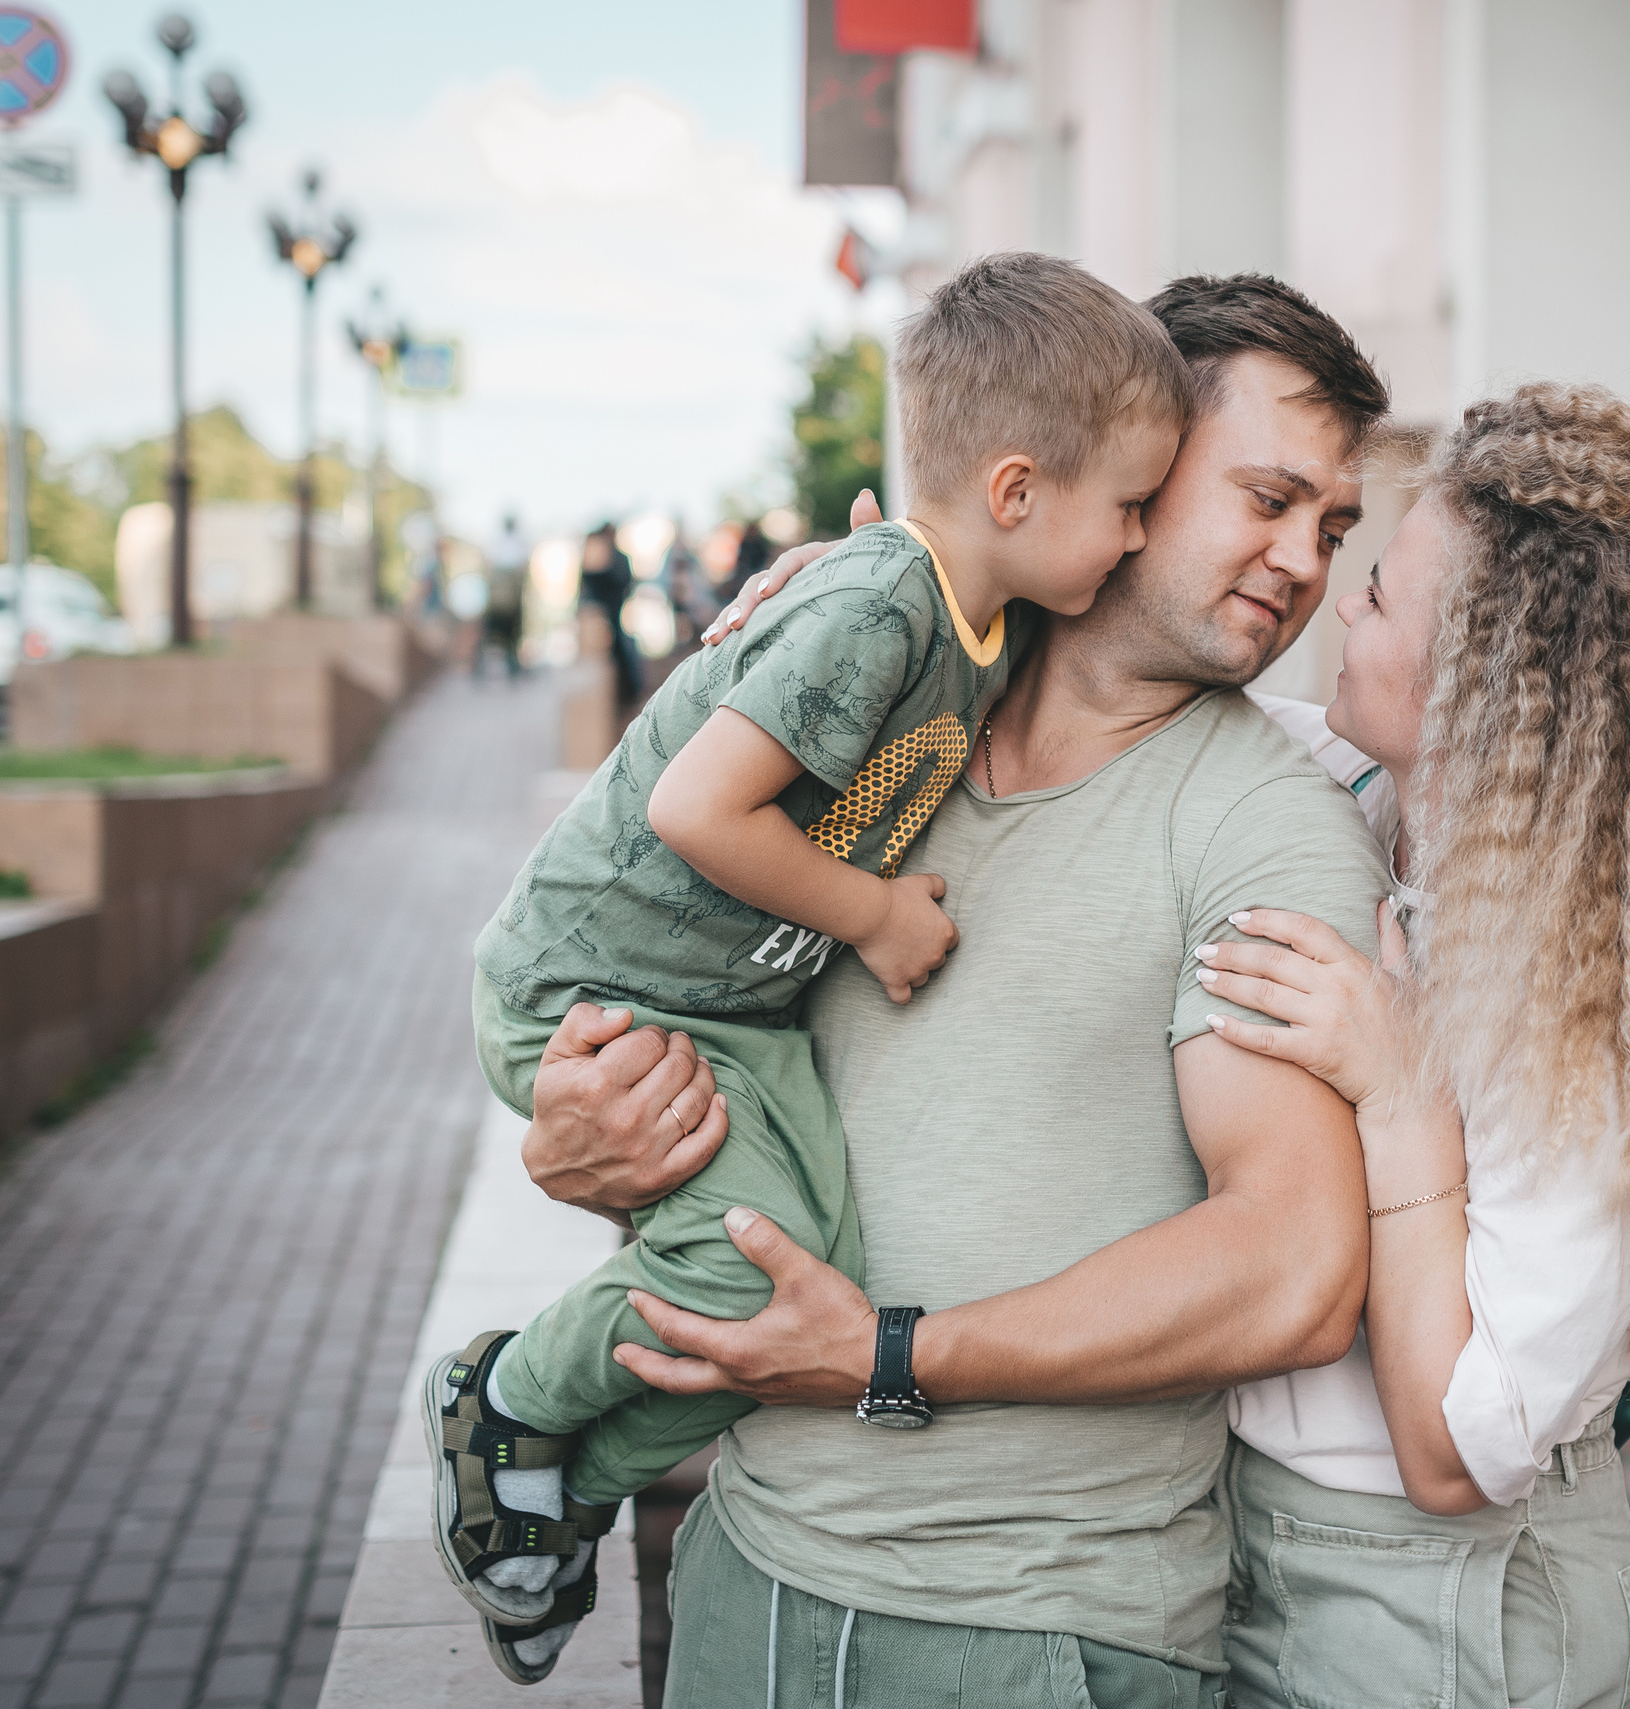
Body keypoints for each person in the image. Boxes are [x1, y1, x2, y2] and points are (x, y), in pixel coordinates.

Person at [516, 273, 1394, 1707]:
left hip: (1040, 1630)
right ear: (1129, 465)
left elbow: (1290, 1268)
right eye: (1269, 498)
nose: (1303, 560)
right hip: (747, 1574)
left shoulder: (1263, 822)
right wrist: (583, 1134)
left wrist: (889, 1357)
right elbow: (672, 1006)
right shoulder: (873, 723)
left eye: (1335, 527)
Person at [426, 253, 1192, 1684]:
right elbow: (691, 807)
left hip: (731, 996)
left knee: (803, 1283)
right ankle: (505, 1398)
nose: (1144, 539)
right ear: (1016, 492)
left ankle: (562, 1490)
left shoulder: (992, 608)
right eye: (1134, 504)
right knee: (736, 1270)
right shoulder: (880, 607)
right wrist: (876, 916)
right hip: (604, 982)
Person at [1191, 383, 1630, 1706]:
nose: (1341, 601)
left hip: (1457, 1612)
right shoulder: (1360, 786)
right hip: (1264, 1553)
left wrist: (1400, 1092)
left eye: (1379, 589)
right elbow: (1121, 704)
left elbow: (1458, 1449)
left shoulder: (1599, 1002)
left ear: (1480, 689)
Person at [578, 521, 642, 703]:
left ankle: (629, 694)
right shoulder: (599, 555)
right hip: (598, 617)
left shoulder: (615, 557)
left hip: (611, 615)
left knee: (622, 654)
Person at [479, 512, 529, 679]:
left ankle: (485, 671)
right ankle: (511, 669)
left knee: (492, 637)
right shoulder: (517, 545)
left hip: (498, 600)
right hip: (509, 601)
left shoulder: (497, 544)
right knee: (510, 637)